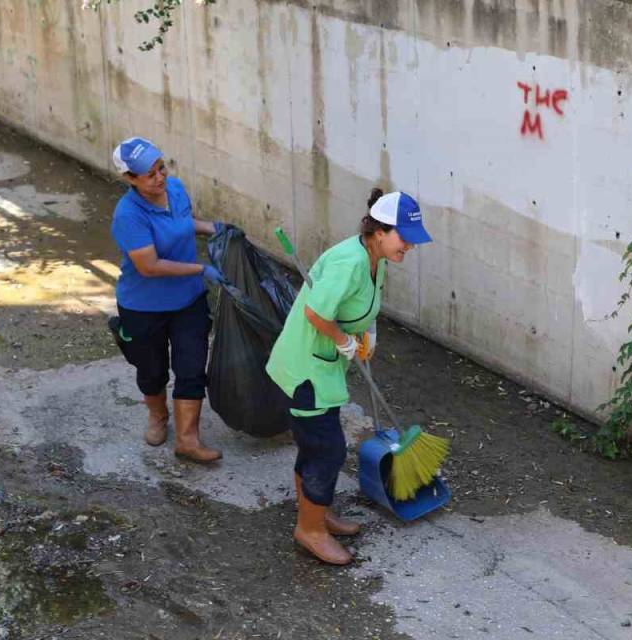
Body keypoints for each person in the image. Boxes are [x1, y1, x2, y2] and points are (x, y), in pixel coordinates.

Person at [266, 188, 433, 565]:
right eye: (404, 238)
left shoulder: (378, 258)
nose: (409, 246)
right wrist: (343, 340)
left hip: (323, 365)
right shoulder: (349, 262)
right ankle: (309, 529)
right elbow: (315, 313)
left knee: (315, 446)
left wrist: (368, 330)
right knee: (327, 450)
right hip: (306, 370)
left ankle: (315, 511)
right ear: (379, 231)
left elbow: (364, 303)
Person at [109, 136, 227, 463]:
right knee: (152, 369)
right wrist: (200, 268)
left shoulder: (174, 189)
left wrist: (211, 228)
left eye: (161, 167)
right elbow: (149, 266)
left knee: (191, 366)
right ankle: (158, 417)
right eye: (149, 174)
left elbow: (181, 223)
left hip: (188, 300)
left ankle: (188, 439)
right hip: (143, 306)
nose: (159, 177)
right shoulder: (128, 215)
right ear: (130, 179)